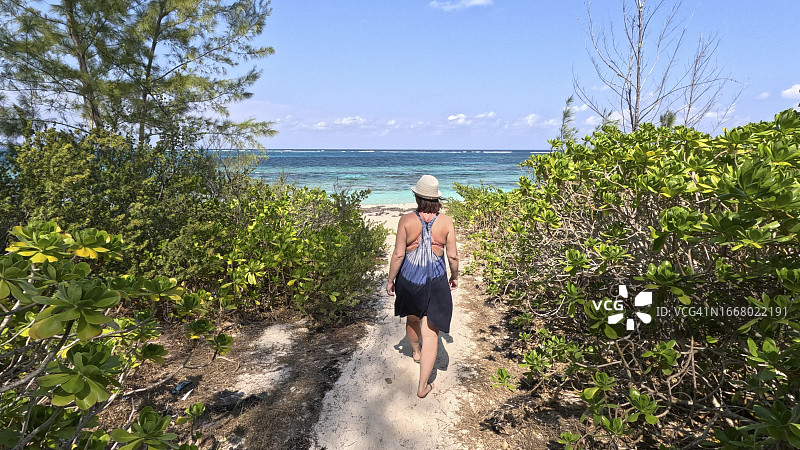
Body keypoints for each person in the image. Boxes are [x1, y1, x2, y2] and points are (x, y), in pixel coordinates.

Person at [386, 174, 458, 398]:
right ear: (437, 199)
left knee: (412, 318)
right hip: (435, 283)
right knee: (431, 334)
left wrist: (390, 280)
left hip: (409, 281)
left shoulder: (406, 220)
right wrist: (455, 276)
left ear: (417, 196)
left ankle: (416, 352)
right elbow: (453, 257)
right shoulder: (446, 222)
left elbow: (398, 254)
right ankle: (423, 385)